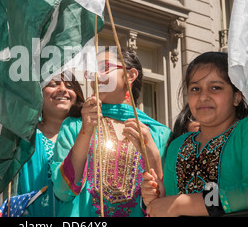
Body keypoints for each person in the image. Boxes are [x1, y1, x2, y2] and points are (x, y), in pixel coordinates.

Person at [141, 51, 248, 216]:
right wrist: (160, 196)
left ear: (237, 97)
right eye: (195, 89)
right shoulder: (177, 145)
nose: (203, 96)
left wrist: (183, 203)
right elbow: (170, 204)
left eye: (215, 87)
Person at [51, 47, 171, 217]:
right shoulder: (75, 126)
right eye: (92, 70)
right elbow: (62, 191)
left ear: (130, 75)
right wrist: (86, 132)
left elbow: (164, 201)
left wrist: (151, 152)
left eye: (104, 67)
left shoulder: (159, 134)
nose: (96, 75)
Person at [17, 71, 85, 217]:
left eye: (69, 86)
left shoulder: (88, 133)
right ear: (38, 93)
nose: (62, 89)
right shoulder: (22, 137)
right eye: (53, 84)